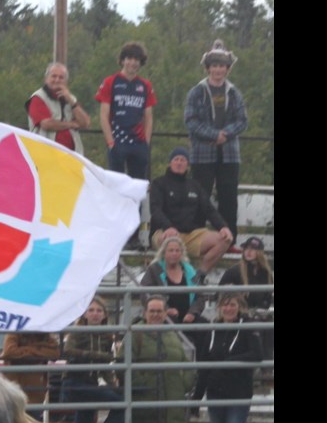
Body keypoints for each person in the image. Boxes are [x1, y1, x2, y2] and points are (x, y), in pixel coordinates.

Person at [190, 294, 263, 423]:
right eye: (225, 305)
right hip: (215, 394)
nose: (228, 308)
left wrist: (228, 362)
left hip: (238, 395)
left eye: (232, 305)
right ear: (220, 308)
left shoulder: (248, 327)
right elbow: (203, 366)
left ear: (239, 307)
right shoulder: (212, 330)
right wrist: (197, 396)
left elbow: (256, 354)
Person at [115, 295, 194, 423]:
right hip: (141, 405)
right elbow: (121, 366)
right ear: (145, 313)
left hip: (167, 406)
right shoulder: (135, 335)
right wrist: (144, 384)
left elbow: (185, 364)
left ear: (166, 313)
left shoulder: (172, 336)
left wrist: (185, 383)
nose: (156, 315)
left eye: (159, 311)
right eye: (152, 311)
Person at [185, 39, 249, 252]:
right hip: (203, 154)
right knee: (200, 196)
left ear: (227, 69)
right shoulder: (197, 92)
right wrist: (214, 134)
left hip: (229, 155)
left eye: (222, 65)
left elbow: (242, 120)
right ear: (208, 68)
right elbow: (190, 121)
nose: (218, 69)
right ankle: (198, 239)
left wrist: (226, 134)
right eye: (214, 65)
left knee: (228, 197)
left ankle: (229, 240)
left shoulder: (234, 92)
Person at [95, 40, 157, 251]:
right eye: (129, 59)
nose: (132, 63)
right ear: (122, 60)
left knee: (136, 191)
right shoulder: (111, 82)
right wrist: (110, 141)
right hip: (118, 142)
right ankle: (115, 234)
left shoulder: (144, 86)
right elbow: (103, 114)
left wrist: (146, 142)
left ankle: (133, 236)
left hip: (138, 144)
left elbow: (148, 115)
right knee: (117, 190)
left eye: (136, 60)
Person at [60, 296, 124, 423]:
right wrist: (96, 356)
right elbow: (68, 351)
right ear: (85, 314)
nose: (95, 314)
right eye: (91, 310)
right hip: (75, 383)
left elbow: (104, 366)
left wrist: (114, 385)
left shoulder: (106, 336)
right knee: (120, 405)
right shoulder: (78, 331)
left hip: (90, 383)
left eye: (99, 311)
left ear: (104, 315)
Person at [149, 147, 233, 274]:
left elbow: (209, 209)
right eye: (176, 159)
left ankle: (198, 276)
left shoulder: (195, 186)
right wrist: (168, 227)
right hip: (164, 232)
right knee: (171, 244)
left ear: (187, 165)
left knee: (225, 240)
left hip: (192, 235)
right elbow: (155, 209)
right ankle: (170, 278)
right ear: (170, 163)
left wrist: (223, 227)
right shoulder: (159, 183)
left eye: (183, 160)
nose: (179, 163)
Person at [140, 235, 210, 346]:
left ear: (181, 253)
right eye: (171, 250)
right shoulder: (154, 270)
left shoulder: (190, 271)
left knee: (205, 326)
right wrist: (165, 309)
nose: (174, 253)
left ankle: (201, 360)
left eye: (177, 251)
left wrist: (192, 313)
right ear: (164, 253)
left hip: (188, 316)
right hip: (165, 316)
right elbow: (145, 292)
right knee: (173, 324)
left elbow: (200, 295)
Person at [218, 235, 274, 369]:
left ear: (260, 252)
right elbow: (220, 294)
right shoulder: (234, 271)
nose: (248, 252)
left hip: (260, 313)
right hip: (239, 313)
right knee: (257, 326)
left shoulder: (266, 272)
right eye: (246, 248)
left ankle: (267, 368)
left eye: (253, 249)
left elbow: (268, 298)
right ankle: (260, 369)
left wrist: (266, 310)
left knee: (269, 327)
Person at [26, 62, 91, 154]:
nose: (57, 80)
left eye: (61, 77)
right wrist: (72, 124)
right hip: (46, 154)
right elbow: (46, 124)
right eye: (54, 76)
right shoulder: (38, 98)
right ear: (46, 79)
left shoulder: (70, 98)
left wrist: (71, 102)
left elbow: (85, 123)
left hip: (72, 156)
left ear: (66, 81)